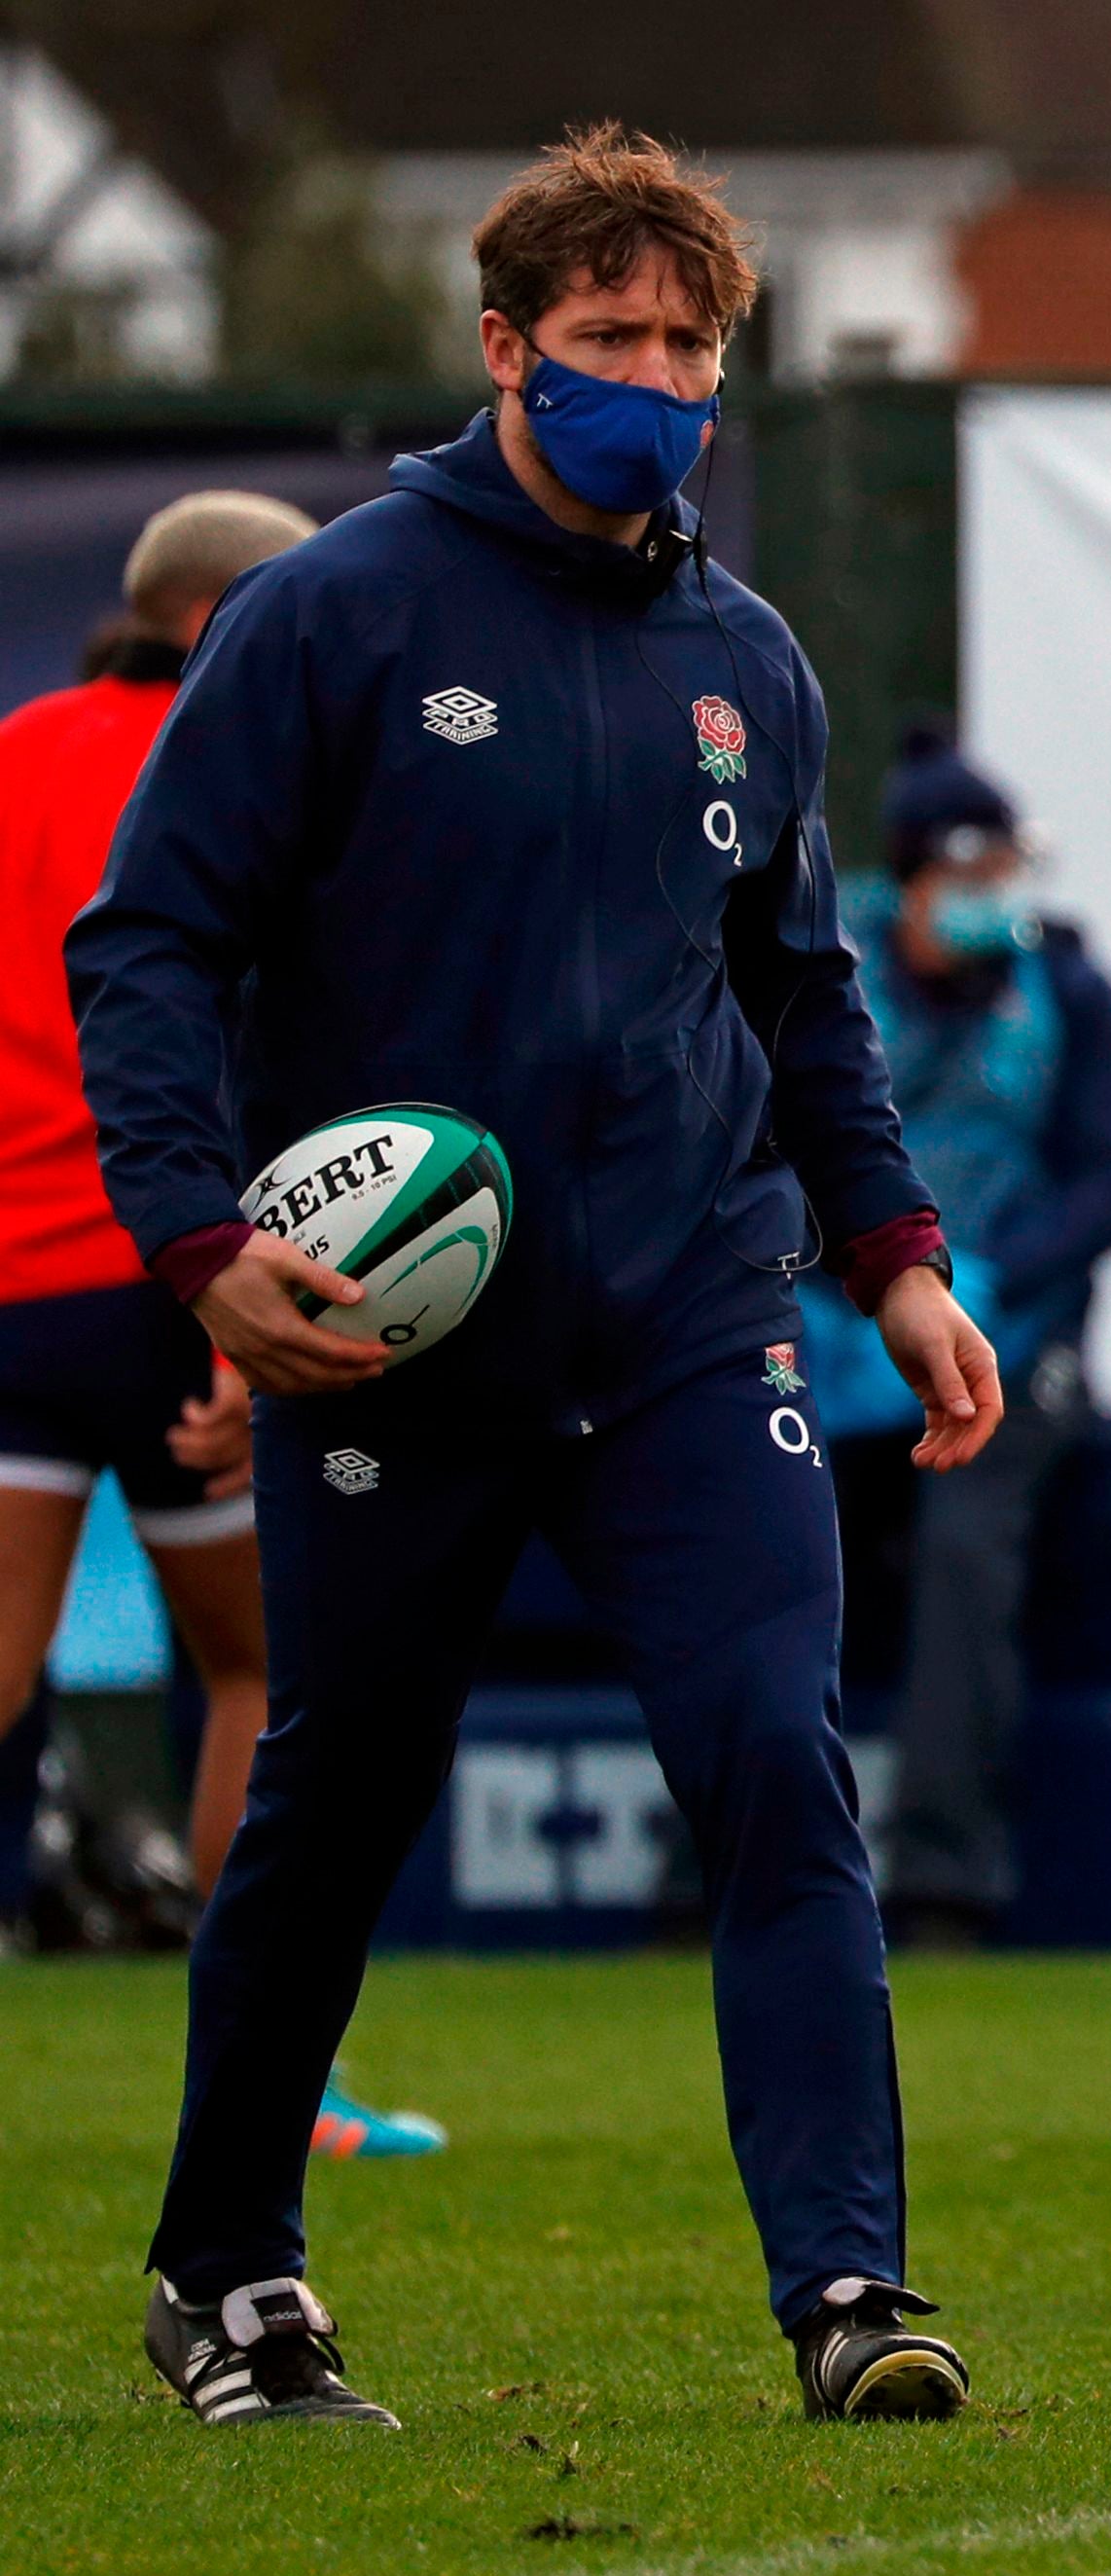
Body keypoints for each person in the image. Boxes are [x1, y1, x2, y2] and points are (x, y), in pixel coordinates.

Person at [72, 126, 1002, 2430]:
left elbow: (799, 996)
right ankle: (228, 2274)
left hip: (695, 1317)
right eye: (609, 342)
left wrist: (892, 1258)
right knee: (342, 1791)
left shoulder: (745, 658)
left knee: (776, 1766)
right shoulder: (339, 614)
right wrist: (204, 1242)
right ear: (504, 351)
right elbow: (152, 941)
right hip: (405, 1338)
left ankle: (851, 2292)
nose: (658, 384)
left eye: (692, 348)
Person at [0, 492, 448, 2160]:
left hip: (12, 1285)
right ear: (227, 627)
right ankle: (288, 2090)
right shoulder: (252, 762)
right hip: (184, 1280)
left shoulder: (15, 750)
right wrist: (230, 1306)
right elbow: (264, 1039)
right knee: (261, 1668)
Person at [803, 725, 1111, 1946]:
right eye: (973, 878)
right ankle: (723, 1873)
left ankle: (943, 1880)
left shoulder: (1071, 989)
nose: (998, 900)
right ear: (913, 878)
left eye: (1009, 874)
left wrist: (1001, 1280)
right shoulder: (815, 975)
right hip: (834, 1324)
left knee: (963, 1548)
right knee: (761, 1555)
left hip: (1011, 1335)